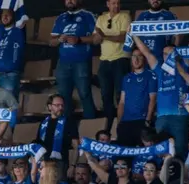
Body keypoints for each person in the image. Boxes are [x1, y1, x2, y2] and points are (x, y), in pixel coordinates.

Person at [50, 0, 96, 117]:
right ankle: (65, 128)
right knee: (63, 97)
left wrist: (79, 40)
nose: (70, 1)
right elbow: (51, 42)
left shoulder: (88, 15)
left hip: (82, 61)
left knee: (84, 93)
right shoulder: (61, 18)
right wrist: (60, 39)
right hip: (63, 63)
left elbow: (96, 38)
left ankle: (90, 125)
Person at [92, 0, 131, 131]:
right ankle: (108, 125)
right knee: (105, 94)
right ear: (107, 4)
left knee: (121, 94)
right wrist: (99, 36)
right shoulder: (101, 18)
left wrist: (103, 35)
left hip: (121, 59)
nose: (116, 6)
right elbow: (95, 40)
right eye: (113, 3)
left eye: (118, 3)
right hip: (104, 60)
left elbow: (122, 38)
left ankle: (122, 124)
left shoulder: (125, 16)